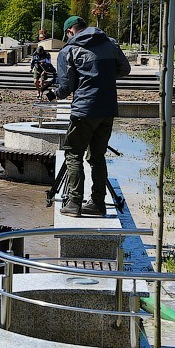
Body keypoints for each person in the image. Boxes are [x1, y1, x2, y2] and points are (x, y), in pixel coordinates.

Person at [45, 16, 131, 217]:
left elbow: (66, 87)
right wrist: (102, 76)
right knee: (98, 157)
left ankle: (74, 203)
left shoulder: (68, 50)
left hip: (84, 109)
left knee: (73, 154)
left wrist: (53, 94)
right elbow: (125, 69)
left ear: (69, 32)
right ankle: (98, 204)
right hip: (107, 108)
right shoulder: (110, 43)